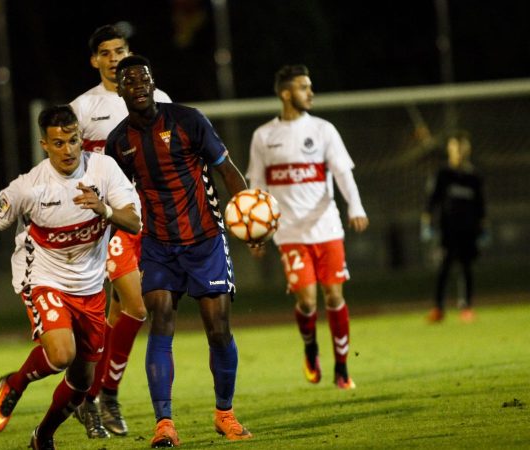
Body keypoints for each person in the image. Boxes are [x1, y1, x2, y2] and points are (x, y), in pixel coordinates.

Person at [0, 105, 141, 450]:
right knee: (60, 355)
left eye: (73, 141)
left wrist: (103, 209)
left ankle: (42, 437)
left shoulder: (103, 170)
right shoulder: (29, 187)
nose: (67, 150)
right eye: (58, 143)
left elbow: (134, 222)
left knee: (82, 382)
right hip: (43, 278)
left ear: (81, 138)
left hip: (90, 286)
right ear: (44, 144)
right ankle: (15, 384)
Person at [105, 55, 253, 447]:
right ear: (119, 90)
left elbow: (227, 170)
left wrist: (249, 220)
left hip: (205, 240)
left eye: (143, 79)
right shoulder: (117, 143)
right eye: (129, 81)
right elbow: (116, 198)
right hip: (158, 245)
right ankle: (164, 424)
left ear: (153, 83)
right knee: (161, 322)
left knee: (218, 330)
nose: (138, 85)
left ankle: (224, 413)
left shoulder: (188, 120)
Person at [68, 24, 172, 439]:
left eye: (120, 51)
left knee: (117, 316)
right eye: (106, 53)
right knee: (137, 306)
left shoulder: (160, 100)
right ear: (95, 60)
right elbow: (65, 164)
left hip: (150, 220)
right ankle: (105, 394)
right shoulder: (82, 108)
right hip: (107, 223)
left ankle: (92, 395)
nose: (114, 59)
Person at [246, 64, 368, 391]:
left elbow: (343, 173)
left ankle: (342, 367)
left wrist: (355, 205)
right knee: (308, 302)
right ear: (286, 93)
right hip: (289, 234)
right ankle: (311, 347)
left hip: (327, 228)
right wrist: (256, 232)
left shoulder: (324, 130)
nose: (310, 93)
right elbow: (257, 187)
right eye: (303, 87)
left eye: (310, 87)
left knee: (334, 295)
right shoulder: (264, 136)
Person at [421, 131, 486, 323]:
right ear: (450, 150)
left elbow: (481, 206)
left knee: (466, 267)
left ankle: (466, 307)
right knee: (444, 268)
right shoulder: (443, 174)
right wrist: (426, 223)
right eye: (455, 148)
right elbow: (431, 201)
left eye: (461, 148)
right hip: (447, 230)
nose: (459, 152)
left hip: (468, 230)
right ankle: (438, 307)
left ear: (467, 150)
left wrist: (483, 228)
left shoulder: (474, 176)